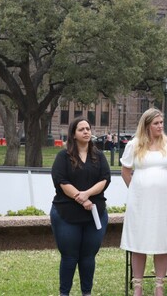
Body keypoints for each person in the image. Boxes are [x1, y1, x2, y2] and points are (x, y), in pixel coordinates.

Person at [120, 108, 167, 296]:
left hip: (164, 202)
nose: (160, 126)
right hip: (139, 203)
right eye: (156, 123)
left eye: (161, 123)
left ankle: (159, 285)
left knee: (161, 242)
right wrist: (138, 189)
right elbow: (125, 171)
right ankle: (137, 286)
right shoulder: (134, 145)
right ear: (146, 125)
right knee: (139, 242)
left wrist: (162, 187)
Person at [50, 118, 112, 296]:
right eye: (81, 129)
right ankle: (65, 293)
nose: (86, 132)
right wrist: (81, 198)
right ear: (73, 134)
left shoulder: (98, 156)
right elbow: (61, 181)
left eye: (88, 128)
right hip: (66, 213)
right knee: (70, 257)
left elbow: (105, 179)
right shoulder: (63, 156)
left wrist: (87, 194)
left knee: (88, 257)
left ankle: (87, 292)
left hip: (94, 213)